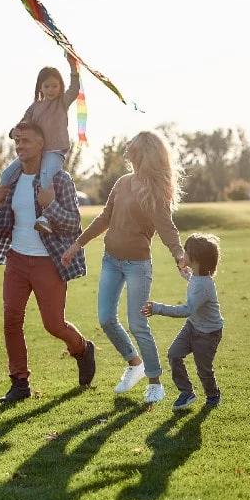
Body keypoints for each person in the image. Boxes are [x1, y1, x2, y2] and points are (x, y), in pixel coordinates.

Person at [61, 131, 188, 405]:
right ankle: (135, 363)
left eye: (131, 144)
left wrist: (179, 254)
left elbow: (166, 228)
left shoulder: (154, 190)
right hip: (111, 260)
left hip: (137, 265)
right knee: (106, 318)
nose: (126, 146)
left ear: (143, 151)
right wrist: (77, 244)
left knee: (137, 323)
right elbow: (104, 218)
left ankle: (155, 382)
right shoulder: (122, 182)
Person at [0, 121, 95, 403]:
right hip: (17, 260)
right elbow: (3, 214)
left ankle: (82, 349)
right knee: (11, 320)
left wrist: (50, 205)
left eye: (27, 141)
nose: (20, 146)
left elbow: (73, 224)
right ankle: (20, 383)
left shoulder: (59, 180)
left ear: (42, 144)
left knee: (54, 325)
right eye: (17, 142)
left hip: (48, 262)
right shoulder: (11, 179)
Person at [0, 52, 80, 234]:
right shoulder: (34, 108)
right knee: (7, 175)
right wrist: (13, 132)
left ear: (60, 87)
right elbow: (22, 125)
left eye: (55, 86)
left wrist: (73, 67)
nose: (51, 90)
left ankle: (47, 217)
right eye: (47, 86)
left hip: (54, 151)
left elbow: (74, 88)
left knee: (46, 178)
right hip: (36, 151)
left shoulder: (62, 103)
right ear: (40, 87)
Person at [142, 233, 225, 411]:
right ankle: (186, 392)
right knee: (174, 354)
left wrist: (158, 308)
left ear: (196, 259)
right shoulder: (198, 276)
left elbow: (186, 310)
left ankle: (213, 395)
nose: (183, 254)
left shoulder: (204, 285)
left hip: (208, 334)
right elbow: (194, 280)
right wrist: (185, 273)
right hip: (192, 327)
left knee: (203, 369)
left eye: (186, 252)